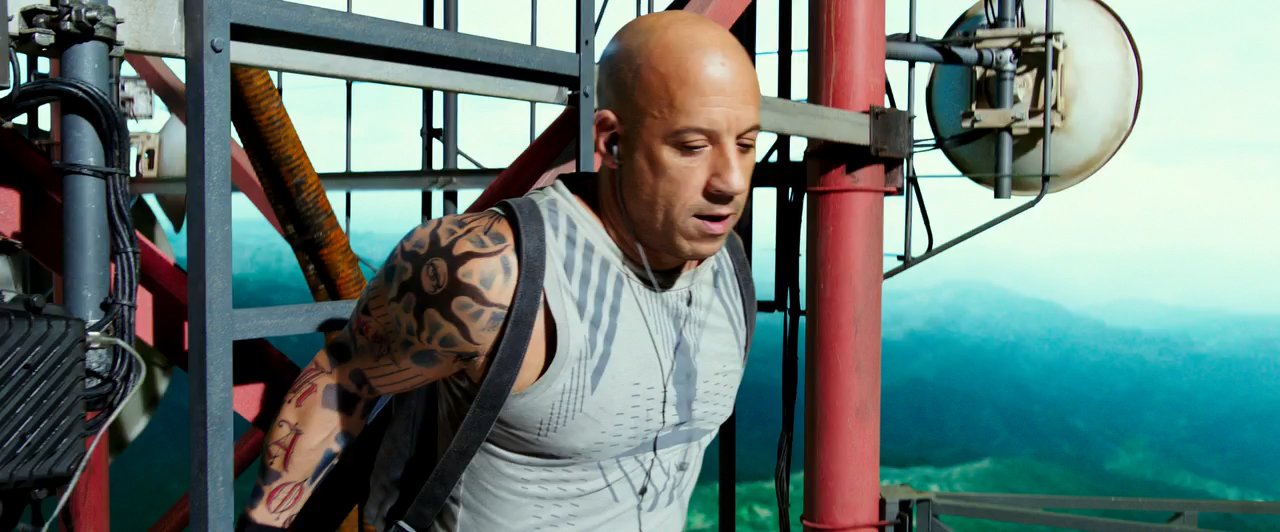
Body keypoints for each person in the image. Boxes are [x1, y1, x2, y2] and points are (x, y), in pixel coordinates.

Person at [238, 10, 760, 531]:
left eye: (745, 144)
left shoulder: (729, 269)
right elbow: (339, 385)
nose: (732, 181)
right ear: (611, 141)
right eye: (693, 147)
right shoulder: (487, 272)